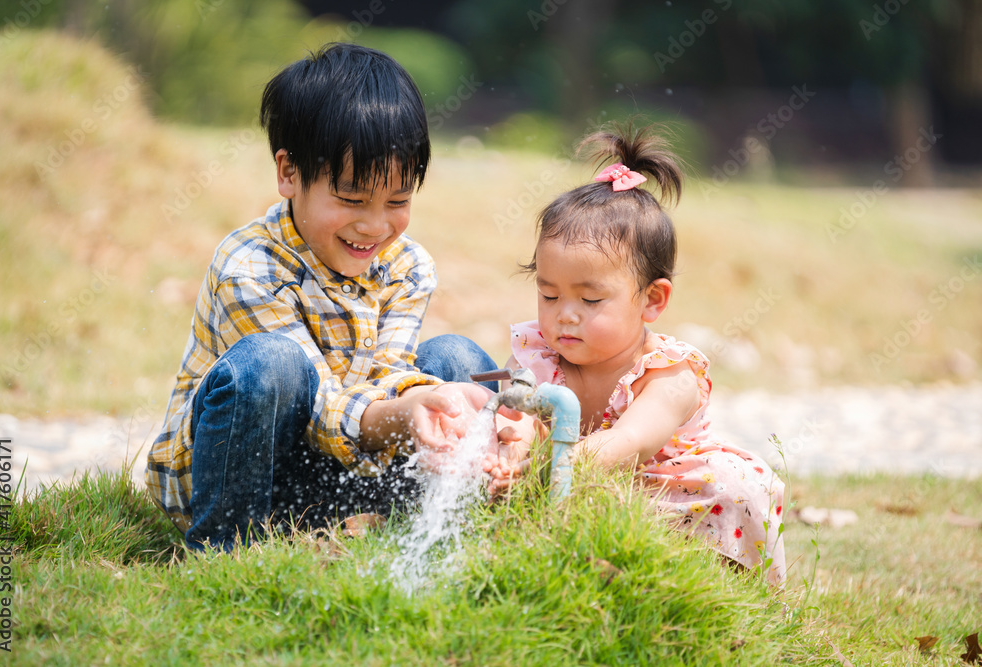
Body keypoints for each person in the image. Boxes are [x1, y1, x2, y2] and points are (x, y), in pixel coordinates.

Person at [146, 43, 503, 551]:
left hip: (342, 475)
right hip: (250, 479)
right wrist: (406, 411)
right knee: (272, 364)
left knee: (456, 361)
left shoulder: (406, 264)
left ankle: (460, 526)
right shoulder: (250, 269)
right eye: (352, 199)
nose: (375, 225)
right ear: (289, 173)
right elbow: (318, 405)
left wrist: (425, 401)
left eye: (398, 201)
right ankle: (225, 552)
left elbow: (389, 371)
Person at [485, 123, 786, 585]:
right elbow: (520, 412)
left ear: (652, 300)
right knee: (482, 439)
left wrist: (552, 465)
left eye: (589, 301)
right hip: (570, 483)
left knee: (734, 481)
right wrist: (513, 453)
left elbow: (631, 441)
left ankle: (713, 588)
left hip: (662, 492)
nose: (565, 316)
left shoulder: (669, 373)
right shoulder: (540, 353)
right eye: (549, 295)